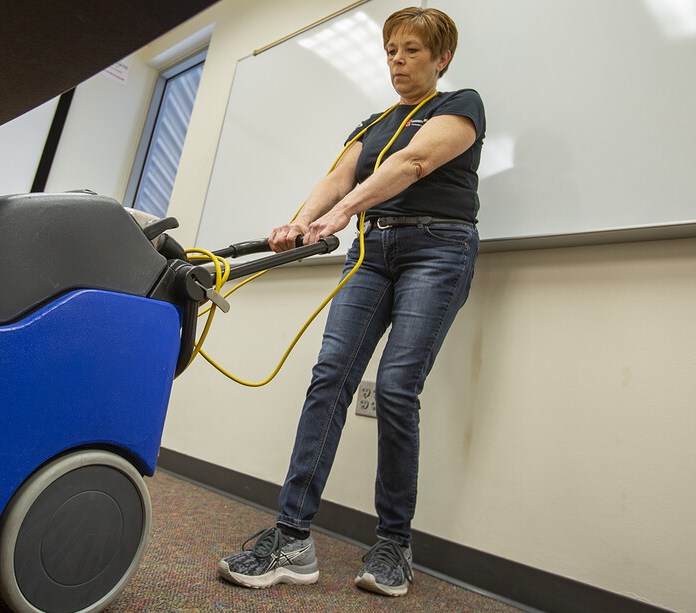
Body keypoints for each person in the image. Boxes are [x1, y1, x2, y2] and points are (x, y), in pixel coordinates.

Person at [218, 7, 485, 597]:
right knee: (331, 377)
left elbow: (413, 163)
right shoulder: (375, 121)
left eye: (412, 50)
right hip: (372, 252)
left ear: (441, 58)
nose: (397, 60)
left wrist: (340, 215)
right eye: (391, 50)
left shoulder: (460, 105)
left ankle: (394, 546)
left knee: (394, 389)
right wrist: (297, 222)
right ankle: (292, 538)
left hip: (438, 250)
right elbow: (339, 178)